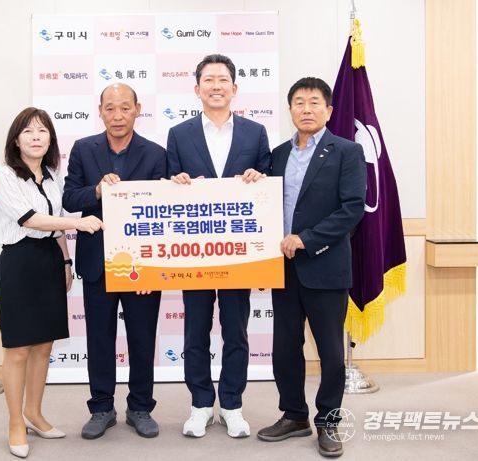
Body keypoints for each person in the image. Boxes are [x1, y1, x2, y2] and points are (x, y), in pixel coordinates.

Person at [256, 77, 366, 458]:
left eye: (314, 102)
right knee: (285, 348)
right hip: (283, 268)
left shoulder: (347, 151)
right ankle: (294, 415)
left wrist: (307, 238)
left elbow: (352, 209)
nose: (306, 109)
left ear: (329, 110)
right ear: (290, 110)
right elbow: (264, 201)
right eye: (299, 102)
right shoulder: (277, 154)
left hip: (325, 266)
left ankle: (328, 422)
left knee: (331, 353)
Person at [167, 54, 271, 438]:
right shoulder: (178, 134)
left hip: (238, 254)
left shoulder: (255, 133)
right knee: (194, 331)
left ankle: (231, 405)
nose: (216, 85)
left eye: (222, 79)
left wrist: (260, 177)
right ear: (197, 88)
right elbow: (166, 187)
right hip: (194, 252)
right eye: (208, 79)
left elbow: (268, 185)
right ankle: (199, 405)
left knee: (236, 332)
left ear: (234, 88)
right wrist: (174, 181)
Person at [0, 107, 103, 458]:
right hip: (19, 263)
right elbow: (30, 220)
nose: (36, 137)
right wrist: (79, 223)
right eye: (28, 131)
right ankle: (15, 423)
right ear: (16, 140)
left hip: (50, 262)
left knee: (44, 346)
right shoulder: (6, 175)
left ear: (50, 139)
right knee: (18, 348)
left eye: (42, 131)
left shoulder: (53, 176)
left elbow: (54, 227)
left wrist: (67, 262)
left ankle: (34, 413)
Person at [63, 83, 166, 439]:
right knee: (99, 339)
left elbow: (163, 210)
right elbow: (69, 198)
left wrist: (153, 268)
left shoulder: (156, 154)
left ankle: (140, 407)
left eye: (125, 107)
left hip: (141, 264)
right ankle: (101, 408)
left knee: (142, 338)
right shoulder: (83, 149)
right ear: (100, 111)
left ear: (138, 109)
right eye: (110, 108)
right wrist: (96, 190)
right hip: (97, 261)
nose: (118, 115)